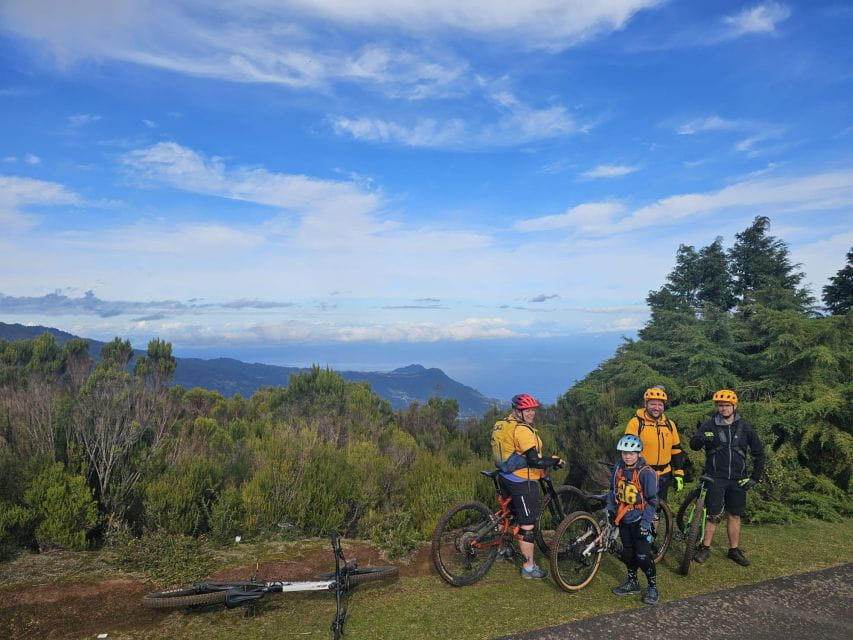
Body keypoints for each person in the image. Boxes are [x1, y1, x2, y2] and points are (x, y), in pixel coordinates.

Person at [491, 393, 564, 579]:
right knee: (527, 524)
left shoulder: (504, 423)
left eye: (532, 409)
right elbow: (534, 461)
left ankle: (502, 550)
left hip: (505, 476)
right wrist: (554, 461)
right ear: (518, 411)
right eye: (527, 410)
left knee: (510, 516)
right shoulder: (522, 430)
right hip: (522, 481)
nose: (531, 413)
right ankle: (529, 568)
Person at [689, 389, 765, 566]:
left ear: (734, 406)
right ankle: (705, 548)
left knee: (734, 515)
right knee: (714, 515)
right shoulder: (709, 425)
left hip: (738, 479)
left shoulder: (744, 427)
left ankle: (734, 550)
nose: (723, 408)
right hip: (715, 477)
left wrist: (754, 477)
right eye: (720, 405)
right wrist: (701, 438)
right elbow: (693, 445)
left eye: (727, 405)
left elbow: (759, 453)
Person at [606, 434, 660, 605]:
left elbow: (652, 501)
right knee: (628, 554)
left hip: (640, 519)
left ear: (638, 453)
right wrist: (610, 510)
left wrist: (645, 524)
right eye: (624, 453)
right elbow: (612, 491)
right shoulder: (618, 468)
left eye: (631, 453)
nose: (627, 456)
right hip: (624, 519)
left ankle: (652, 587)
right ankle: (632, 582)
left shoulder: (646, 473)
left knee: (643, 556)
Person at [624, 386, 685, 502]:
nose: (656, 408)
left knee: (658, 507)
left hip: (664, 474)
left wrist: (678, 472)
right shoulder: (636, 423)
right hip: (642, 473)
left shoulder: (669, 424)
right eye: (653, 404)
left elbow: (676, 449)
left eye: (660, 405)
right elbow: (628, 451)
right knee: (640, 508)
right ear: (646, 404)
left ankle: (657, 520)